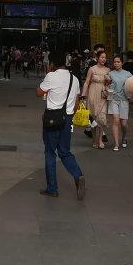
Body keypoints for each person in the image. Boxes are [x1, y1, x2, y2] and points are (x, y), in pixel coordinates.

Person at [36, 51, 86, 200]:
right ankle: (78, 175)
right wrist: (69, 114)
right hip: (67, 118)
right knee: (65, 152)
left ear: (52, 64)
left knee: (50, 152)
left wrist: (48, 74)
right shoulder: (74, 79)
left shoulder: (51, 76)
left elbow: (39, 92)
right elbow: (77, 102)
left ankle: (52, 188)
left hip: (52, 119)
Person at [82, 50, 111, 149]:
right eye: (102, 57)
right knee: (93, 118)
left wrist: (109, 82)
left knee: (101, 117)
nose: (104, 59)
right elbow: (86, 82)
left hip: (103, 94)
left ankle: (100, 140)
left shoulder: (107, 70)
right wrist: (83, 95)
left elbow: (109, 84)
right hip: (92, 93)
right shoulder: (92, 69)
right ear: (97, 58)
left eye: (105, 57)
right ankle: (94, 139)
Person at [106, 55, 133, 151]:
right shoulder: (110, 74)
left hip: (124, 100)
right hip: (113, 99)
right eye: (115, 62)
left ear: (122, 63)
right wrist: (107, 88)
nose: (116, 64)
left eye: (118, 62)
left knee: (124, 124)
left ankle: (124, 137)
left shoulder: (128, 74)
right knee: (116, 121)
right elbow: (106, 85)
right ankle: (116, 144)